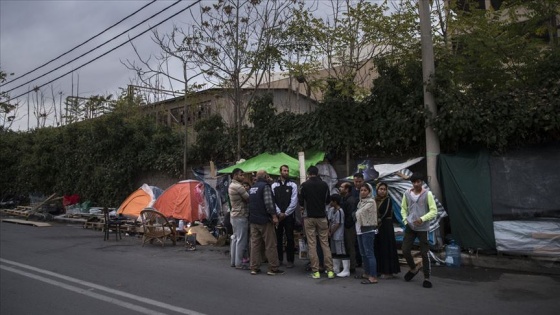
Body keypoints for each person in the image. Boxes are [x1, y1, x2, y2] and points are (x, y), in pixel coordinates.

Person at [401, 172, 437, 288]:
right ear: (412, 183)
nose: (416, 184)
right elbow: (403, 208)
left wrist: (422, 219)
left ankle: (426, 278)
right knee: (405, 250)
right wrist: (405, 221)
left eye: (418, 182)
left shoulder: (428, 194)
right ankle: (413, 268)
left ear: (422, 182)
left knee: (424, 253)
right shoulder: (407, 193)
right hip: (410, 227)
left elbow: (433, 211)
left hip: (423, 228)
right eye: (414, 182)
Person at [299, 165, 334, 279]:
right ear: (318, 173)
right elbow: (328, 200)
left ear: (309, 174)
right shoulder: (324, 185)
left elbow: (300, 202)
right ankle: (330, 270)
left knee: (312, 244)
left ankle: (316, 271)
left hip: (309, 217)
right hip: (322, 217)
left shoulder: (304, 185)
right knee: (325, 244)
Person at [248, 170, 284, 276]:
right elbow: (268, 203)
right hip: (264, 220)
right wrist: (274, 216)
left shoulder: (252, 188)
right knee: (270, 244)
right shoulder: (265, 187)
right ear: (264, 176)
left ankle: (254, 267)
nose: (269, 177)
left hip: (253, 220)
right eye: (267, 175)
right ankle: (273, 268)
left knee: (255, 245)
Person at [271, 165, 298, 269]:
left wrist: (286, 213)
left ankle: (290, 260)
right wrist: (279, 212)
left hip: (289, 216)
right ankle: (279, 258)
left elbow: (294, 200)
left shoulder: (293, 184)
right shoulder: (274, 185)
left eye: (287, 170)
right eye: (284, 170)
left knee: (290, 238)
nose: (286, 172)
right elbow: (273, 201)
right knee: (278, 238)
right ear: (280, 172)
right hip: (278, 216)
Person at [374, 182, 401, 279]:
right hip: (378, 227)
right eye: (380, 189)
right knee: (379, 248)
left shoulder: (388, 199)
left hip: (386, 226)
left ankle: (388, 271)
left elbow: (385, 213)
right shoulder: (375, 200)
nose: (382, 191)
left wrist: (377, 220)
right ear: (377, 190)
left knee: (386, 248)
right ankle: (380, 269)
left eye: (384, 189)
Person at [355, 183, 378, 284]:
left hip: (368, 230)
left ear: (369, 192)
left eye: (365, 190)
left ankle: (373, 276)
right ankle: (367, 273)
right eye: (361, 190)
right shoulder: (360, 202)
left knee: (369, 253)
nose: (363, 192)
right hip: (360, 229)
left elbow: (360, 213)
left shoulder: (371, 201)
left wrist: (355, 213)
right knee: (363, 253)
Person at [228, 168, 250, 270]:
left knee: (235, 239)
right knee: (241, 240)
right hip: (241, 215)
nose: (243, 177)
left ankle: (234, 262)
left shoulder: (231, 185)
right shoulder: (238, 186)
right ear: (235, 175)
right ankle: (239, 263)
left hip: (234, 215)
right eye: (241, 175)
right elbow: (248, 198)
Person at [328, 194, 350, 277]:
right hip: (332, 234)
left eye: (331, 201)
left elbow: (338, 224)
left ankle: (346, 270)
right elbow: (330, 221)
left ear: (335, 202)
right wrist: (329, 230)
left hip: (338, 235)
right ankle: (336, 268)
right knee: (334, 252)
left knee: (341, 252)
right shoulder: (331, 210)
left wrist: (331, 232)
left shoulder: (340, 211)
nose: (330, 202)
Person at [339, 182, 358, 273]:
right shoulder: (344, 199)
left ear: (347, 189)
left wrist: (346, 225)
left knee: (350, 246)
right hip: (345, 226)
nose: (340, 188)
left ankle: (352, 266)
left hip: (349, 226)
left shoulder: (350, 200)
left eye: (342, 187)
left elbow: (351, 215)